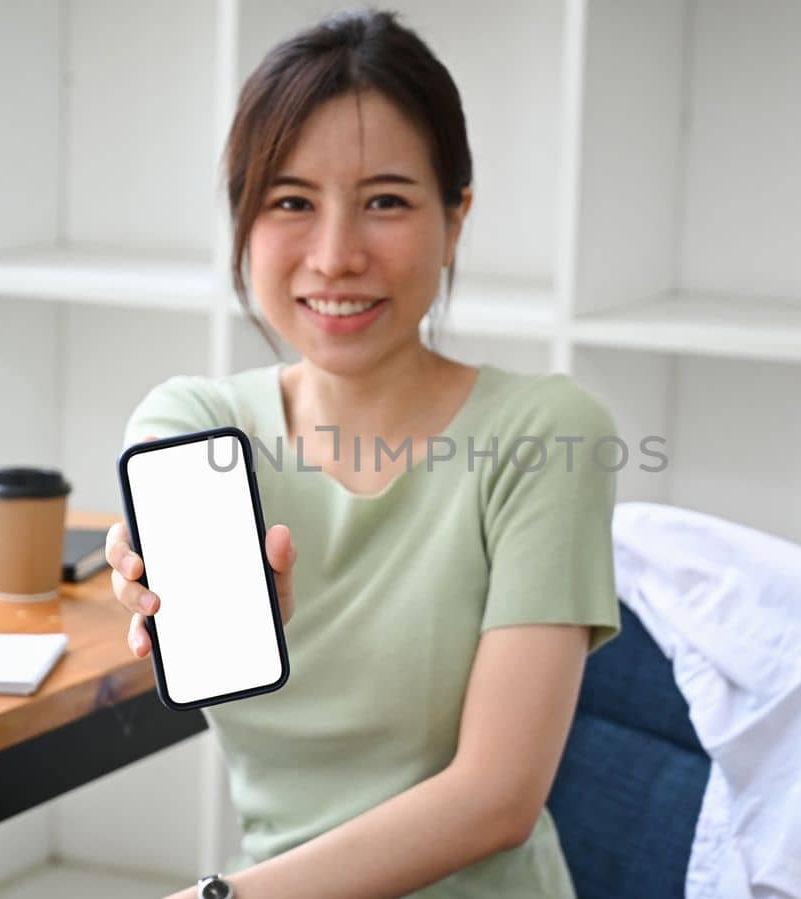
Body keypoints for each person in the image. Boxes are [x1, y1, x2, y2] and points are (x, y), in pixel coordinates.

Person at [105, 10, 622, 898]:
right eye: (291, 202)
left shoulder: (547, 434)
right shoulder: (193, 420)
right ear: (243, 217)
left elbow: (497, 798)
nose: (336, 256)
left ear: (456, 219)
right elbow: (162, 482)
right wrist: (155, 577)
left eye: (386, 201)